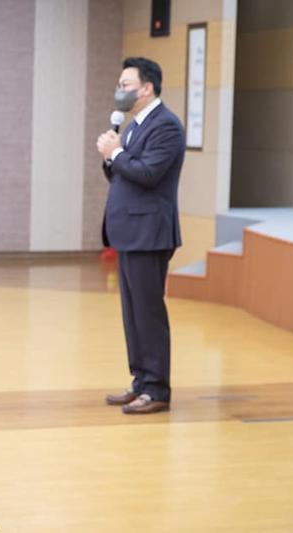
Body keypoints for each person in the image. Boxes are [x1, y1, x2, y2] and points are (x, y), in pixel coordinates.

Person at [96, 57, 185, 414]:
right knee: (132, 314)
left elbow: (148, 174)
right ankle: (140, 382)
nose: (120, 90)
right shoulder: (134, 125)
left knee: (148, 313)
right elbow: (122, 174)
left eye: (126, 83)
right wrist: (111, 157)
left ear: (146, 87)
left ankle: (157, 390)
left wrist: (114, 152)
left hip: (150, 233)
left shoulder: (166, 126)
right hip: (130, 232)